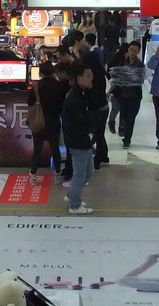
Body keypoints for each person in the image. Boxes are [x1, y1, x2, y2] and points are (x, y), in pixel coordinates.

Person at [62, 62, 96, 214]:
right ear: (79, 77)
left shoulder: (81, 93)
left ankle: (72, 196)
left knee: (89, 172)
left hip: (83, 140)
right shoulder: (75, 97)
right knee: (80, 173)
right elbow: (78, 121)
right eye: (88, 75)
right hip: (78, 141)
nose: (91, 78)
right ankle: (74, 206)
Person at [72, 32, 110, 167]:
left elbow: (89, 90)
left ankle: (98, 160)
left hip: (96, 108)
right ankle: (104, 155)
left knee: (97, 134)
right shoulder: (101, 71)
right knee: (100, 133)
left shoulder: (91, 75)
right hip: (104, 106)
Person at [27, 62, 67, 182]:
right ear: (53, 72)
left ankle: (33, 175)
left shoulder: (37, 86)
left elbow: (29, 102)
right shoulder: (59, 85)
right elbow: (62, 104)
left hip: (39, 121)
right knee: (55, 149)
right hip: (54, 121)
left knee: (37, 149)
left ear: (40, 73)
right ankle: (57, 174)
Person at [108, 41, 145, 150]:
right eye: (131, 49)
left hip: (135, 96)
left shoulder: (140, 65)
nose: (133, 52)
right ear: (128, 50)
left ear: (138, 51)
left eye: (135, 50)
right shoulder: (121, 63)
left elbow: (140, 79)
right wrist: (110, 91)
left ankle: (127, 139)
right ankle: (125, 135)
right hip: (122, 95)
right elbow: (116, 79)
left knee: (131, 118)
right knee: (124, 117)